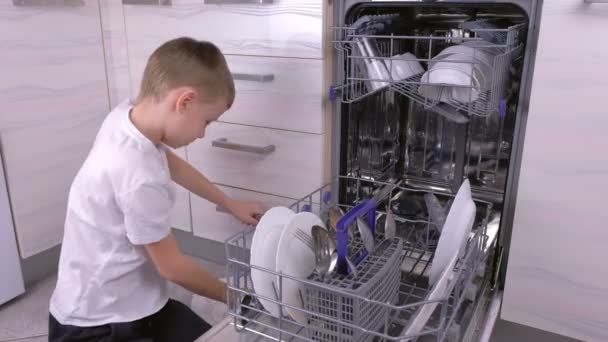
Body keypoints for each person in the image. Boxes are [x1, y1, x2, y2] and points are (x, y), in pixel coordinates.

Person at [48, 37, 264, 341]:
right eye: (207, 121)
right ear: (184, 101)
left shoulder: (126, 118)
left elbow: (171, 164)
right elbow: (173, 268)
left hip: (138, 304)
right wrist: (237, 296)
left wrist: (229, 203)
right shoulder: (137, 173)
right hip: (97, 325)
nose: (202, 134)